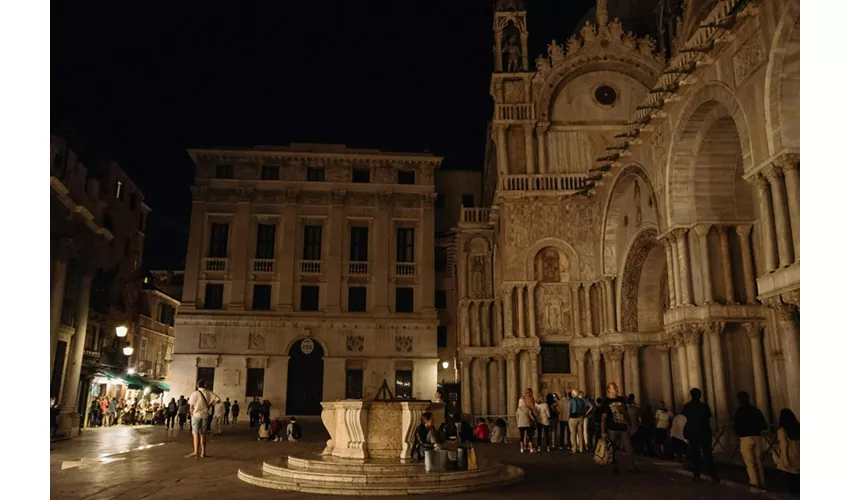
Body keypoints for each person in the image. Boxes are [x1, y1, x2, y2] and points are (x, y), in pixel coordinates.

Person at [600, 382, 638, 474]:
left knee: (628, 447)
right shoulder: (606, 402)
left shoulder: (621, 399)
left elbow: (625, 413)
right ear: (609, 389)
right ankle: (614, 467)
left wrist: (630, 425)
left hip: (623, 427)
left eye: (616, 387)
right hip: (612, 428)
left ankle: (631, 466)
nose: (616, 389)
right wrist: (603, 431)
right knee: (613, 448)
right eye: (614, 388)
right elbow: (603, 417)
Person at [734, 391, 768, 490]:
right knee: (759, 462)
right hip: (757, 437)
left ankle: (754, 483)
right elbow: (763, 425)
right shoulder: (756, 410)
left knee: (750, 463)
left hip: (745, 438)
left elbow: (737, 427)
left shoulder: (739, 412)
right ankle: (762, 483)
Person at [682, 388, 718, 482]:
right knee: (708, 454)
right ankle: (713, 474)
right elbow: (708, 419)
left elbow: (685, 419)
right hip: (704, 432)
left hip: (693, 433)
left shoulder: (687, 406)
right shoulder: (704, 406)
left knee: (695, 455)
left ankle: (697, 474)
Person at [186, 380, 220, 458]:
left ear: (197, 385)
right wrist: (209, 405)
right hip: (205, 415)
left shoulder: (194, 393)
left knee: (195, 433)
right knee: (203, 434)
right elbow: (217, 400)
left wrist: (191, 413)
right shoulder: (209, 392)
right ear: (205, 385)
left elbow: (191, 406)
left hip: (196, 415)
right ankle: (203, 453)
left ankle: (195, 452)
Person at [773, 408, 799, 494]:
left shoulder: (782, 430)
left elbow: (784, 445)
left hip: (790, 453)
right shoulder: (798, 426)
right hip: (798, 451)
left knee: (790, 477)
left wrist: (785, 459)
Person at [569, 389, 588, 453]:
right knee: (580, 434)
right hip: (580, 418)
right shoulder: (582, 401)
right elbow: (584, 409)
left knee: (573, 434)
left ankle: (574, 449)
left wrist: (568, 417)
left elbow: (570, 409)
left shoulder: (572, 400)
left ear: (573, 394)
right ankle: (581, 449)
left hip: (573, 418)